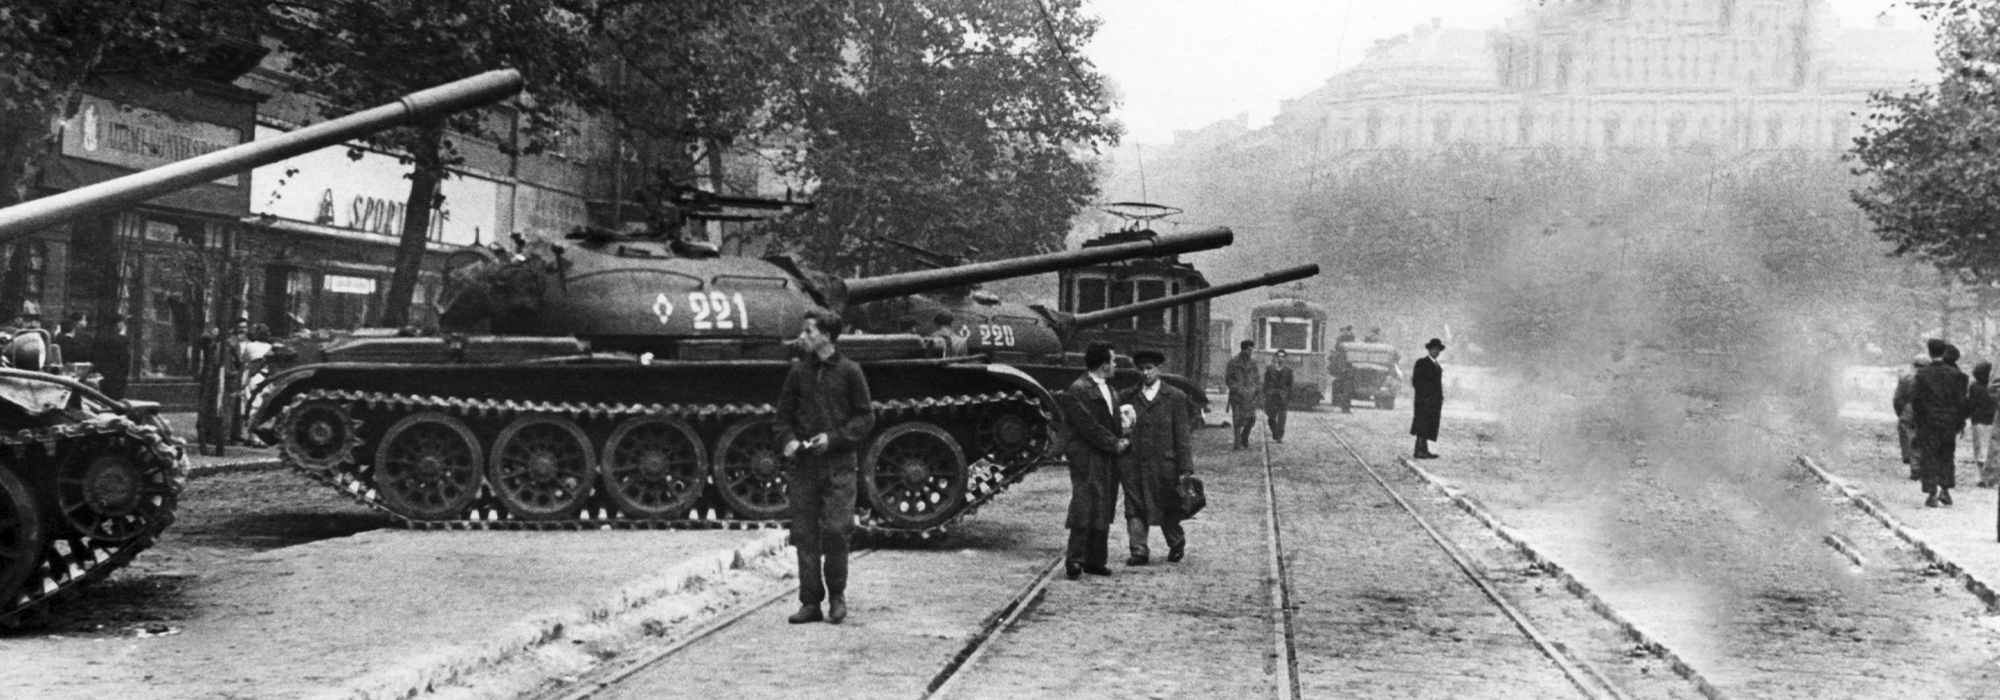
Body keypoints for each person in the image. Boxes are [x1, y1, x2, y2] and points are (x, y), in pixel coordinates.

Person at [775, 308, 875, 624]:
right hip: (804, 465)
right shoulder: (798, 373)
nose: (802, 337)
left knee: (835, 530)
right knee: (805, 534)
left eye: (809, 331)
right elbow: (782, 417)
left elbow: (865, 417)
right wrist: (789, 440)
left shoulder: (850, 371)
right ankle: (810, 603)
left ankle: (837, 596)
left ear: (826, 337)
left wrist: (833, 439)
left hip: (839, 464)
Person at [1118, 350, 1194, 566]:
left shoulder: (1175, 397)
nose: (1145, 373)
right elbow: (1120, 428)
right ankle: (1139, 550)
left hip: (1165, 464)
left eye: (1149, 368)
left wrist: (1186, 467)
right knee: (1134, 506)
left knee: (1166, 505)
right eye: (1141, 369)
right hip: (1134, 462)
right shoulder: (1127, 397)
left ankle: (1176, 542)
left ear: (1159, 370)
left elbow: (1182, 434)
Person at [1058, 340, 1126, 580]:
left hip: (1105, 455)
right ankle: (1075, 560)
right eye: (1113, 360)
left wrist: (1123, 433)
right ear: (1103, 364)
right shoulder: (1079, 389)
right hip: (1086, 455)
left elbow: (1109, 422)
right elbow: (1088, 425)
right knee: (1084, 505)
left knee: (1104, 504)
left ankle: (1096, 560)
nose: (1116, 364)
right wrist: (1114, 442)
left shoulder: (1109, 389)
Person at [1909, 339, 1969, 507]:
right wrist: (1960, 422)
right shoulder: (1956, 375)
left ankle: (1931, 493)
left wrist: (1919, 419)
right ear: (1944, 353)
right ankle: (1946, 490)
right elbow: (1962, 401)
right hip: (1949, 421)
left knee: (1929, 456)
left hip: (1928, 422)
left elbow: (1916, 400)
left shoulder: (1922, 374)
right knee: (1947, 454)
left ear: (1930, 352)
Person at [1893, 353, 1929, 478]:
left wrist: (1901, 412)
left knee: (1909, 436)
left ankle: (1914, 465)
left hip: (1909, 408)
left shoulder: (1905, 377)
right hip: (1926, 409)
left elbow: (1898, 398)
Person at [1411, 338, 1446, 459]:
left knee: (1429, 424)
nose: (1436, 352)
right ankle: (1418, 450)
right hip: (1423, 400)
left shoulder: (1437, 366)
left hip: (1434, 402)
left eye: (1438, 350)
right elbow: (1416, 381)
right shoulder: (1421, 363)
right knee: (1422, 424)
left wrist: (1440, 397)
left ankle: (1424, 450)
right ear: (1429, 350)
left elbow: (1438, 384)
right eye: (1434, 349)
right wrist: (1425, 396)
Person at [1224, 340, 1260, 450]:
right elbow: (1228, 379)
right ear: (1243, 350)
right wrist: (1236, 388)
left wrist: (1254, 388)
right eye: (1249, 350)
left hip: (1250, 395)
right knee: (1237, 419)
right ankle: (1237, 443)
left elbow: (1257, 378)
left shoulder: (1253, 363)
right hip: (1237, 396)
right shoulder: (1233, 362)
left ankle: (1244, 436)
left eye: (1251, 350)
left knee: (1251, 419)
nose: (1250, 352)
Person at [91, 312, 132, 401]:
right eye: (122, 323)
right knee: (116, 400)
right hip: (117, 377)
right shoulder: (122, 339)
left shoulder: (99, 337)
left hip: (102, 375)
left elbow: (94, 356)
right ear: (118, 324)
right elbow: (125, 360)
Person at [1970, 361, 1995, 484]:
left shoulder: (1974, 387)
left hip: (1978, 420)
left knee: (1979, 448)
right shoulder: (1993, 388)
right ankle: (1988, 476)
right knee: (1990, 447)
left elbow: (1970, 404)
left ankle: (1982, 475)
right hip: (1992, 420)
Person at [1262, 349, 1294, 443]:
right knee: (1271, 418)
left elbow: (1290, 385)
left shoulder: (1288, 371)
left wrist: (1289, 397)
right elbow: (1266, 382)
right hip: (1271, 396)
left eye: (1283, 356)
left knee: (1282, 418)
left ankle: (1279, 436)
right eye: (1279, 356)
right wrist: (1265, 394)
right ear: (1276, 357)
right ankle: (1275, 433)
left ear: (1285, 358)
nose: (1280, 358)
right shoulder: (1270, 369)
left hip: (1282, 397)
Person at [1329, 326, 1356, 413]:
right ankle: (1345, 407)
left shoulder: (1340, 350)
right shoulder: (1344, 351)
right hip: (1345, 375)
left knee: (1343, 390)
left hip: (1343, 374)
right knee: (1346, 391)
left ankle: (1343, 406)